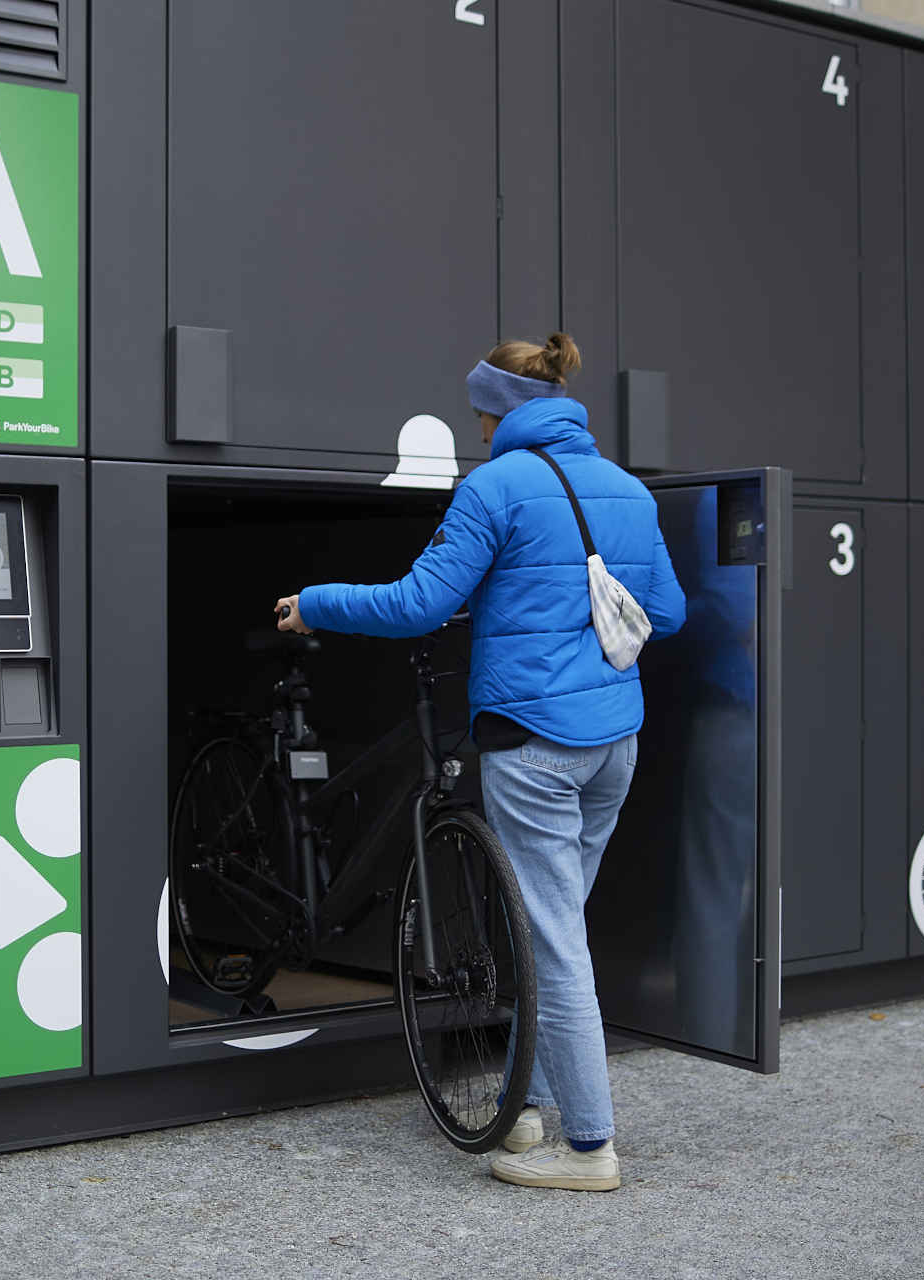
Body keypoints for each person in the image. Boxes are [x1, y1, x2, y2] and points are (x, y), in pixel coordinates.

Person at [275, 333, 685, 1191]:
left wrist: (314, 603)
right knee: (551, 928)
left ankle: (591, 1149)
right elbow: (670, 612)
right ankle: (522, 1113)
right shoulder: (630, 493)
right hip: (615, 742)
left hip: (532, 744)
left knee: (554, 942)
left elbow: (421, 602)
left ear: (495, 409)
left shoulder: (494, 486)